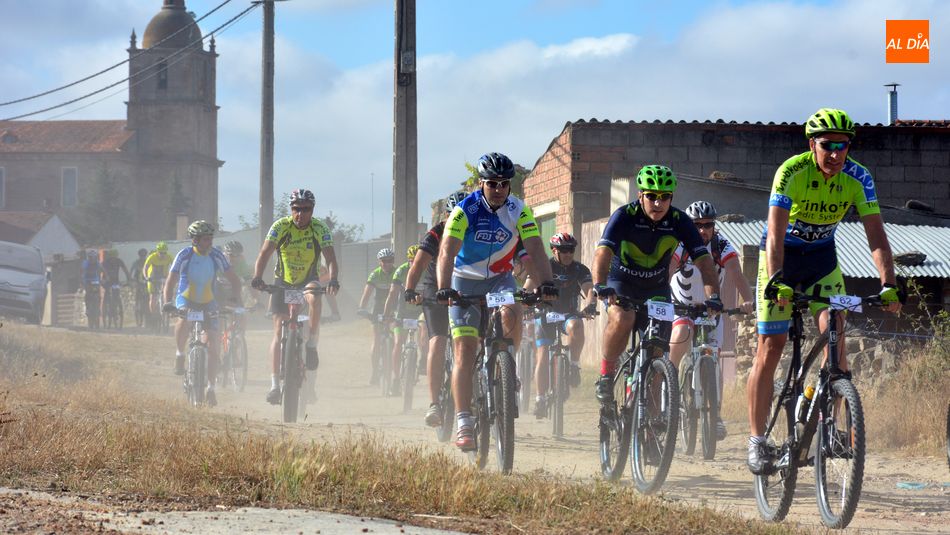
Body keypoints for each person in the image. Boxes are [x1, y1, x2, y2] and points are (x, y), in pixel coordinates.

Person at [747, 108, 901, 474]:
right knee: (772, 346)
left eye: (842, 146)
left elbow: (876, 235)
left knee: (836, 335)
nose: (835, 153)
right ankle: (756, 440)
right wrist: (777, 279)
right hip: (781, 258)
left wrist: (889, 284)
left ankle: (829, 425)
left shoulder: (859, 177)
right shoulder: (791, 172)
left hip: (821, 261)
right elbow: (774, 232)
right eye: (827, 145)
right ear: (811, 145)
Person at [436, 152, 558, 451]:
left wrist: (547, 283)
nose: (499, 189)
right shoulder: (464, 210)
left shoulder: (519, 210)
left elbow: (535, 247)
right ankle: (464, 421)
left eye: (504, 183)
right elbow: (446, 252)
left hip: (500, 279)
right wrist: (444, 288)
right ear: (481, 183)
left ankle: (507, 366)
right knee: (465, 350)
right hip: (464, 279)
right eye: (492, 183)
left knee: (512, 309)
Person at [591, 165, 723, 404]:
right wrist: (600, 284)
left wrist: (713, 296)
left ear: (671, 197)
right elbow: (603, 252)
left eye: (664, 197)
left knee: (658, 352)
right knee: (623, 318)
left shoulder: (680, 221)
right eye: (651, 196)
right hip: (621, 282)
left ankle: (655, 418)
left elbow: (704, 261)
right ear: (640, 195)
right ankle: (606, 374)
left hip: (656, 288)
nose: (658, 203)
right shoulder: (624, 215)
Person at [667, 200, 754, 440]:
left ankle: (715, 416)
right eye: (697, 225)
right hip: (682, 306)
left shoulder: (721, 245)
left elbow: (737, 274)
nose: (703, 230)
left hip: (711, 309)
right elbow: (669, 268)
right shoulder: (681, 243)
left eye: (708, 225)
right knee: (680, 336)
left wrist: (748, 300)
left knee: (714, 361)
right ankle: (669, 391)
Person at [250, 189, 340, 405]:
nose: (300, 213)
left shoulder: (319, 228)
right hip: (283, 280)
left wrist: (333, 279)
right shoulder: (280, 226)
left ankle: (311, 344)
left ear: (312, 210)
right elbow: (264, 253)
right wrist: (257, 277)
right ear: (291, 209)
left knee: (315, 297)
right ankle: (274, 385)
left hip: (308, 279)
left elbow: (330, 258)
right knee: (277, 331)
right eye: (296, 209)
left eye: (305, 209)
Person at [161, 220, 243, 407]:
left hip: (208, 301)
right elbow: (171, 281)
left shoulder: (216, 255)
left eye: (211, 238)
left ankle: (211, 389)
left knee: (214, 343)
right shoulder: (184, 255)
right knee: (183, 319)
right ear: (195, 240)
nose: (210, 242)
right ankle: (180, 354)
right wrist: (167, 302)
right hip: (186, 298)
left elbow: (234, 280)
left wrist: (235, 298)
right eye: (206, 239)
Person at [404, 191, 466, 426]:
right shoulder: (435, 233)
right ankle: (434, 404)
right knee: (438, 342)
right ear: (445, 216)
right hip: (435, 289)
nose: (457, 219)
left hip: (465, 287)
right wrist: (410, 289)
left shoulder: (474, 232)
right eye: (453, 214)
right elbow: (418, 264)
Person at [524, 232, 596, 418]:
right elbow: (528, 287)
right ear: (553, 250)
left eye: (571, 249)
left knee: (577, 326)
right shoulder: (544, 267)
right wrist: (526, 303)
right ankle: (540, 399)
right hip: (545, 314)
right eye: (564, 250)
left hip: (567, 314)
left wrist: (591, 305)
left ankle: (574, 365)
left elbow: (589, 290)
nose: (568, 253)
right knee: (542, 355)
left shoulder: (580, 269)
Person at [383, 245, 423, 395]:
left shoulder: (428, 270)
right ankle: (396, 378)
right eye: (412, 261)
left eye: (418, 260)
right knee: (398, 342)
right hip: (402, 312)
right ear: (408, 260)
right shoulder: (401, 271)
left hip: (421, 312)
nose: (415, 263)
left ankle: (422, 362)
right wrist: (387, 314)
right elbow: (392, 294)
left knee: (425, 337)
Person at [358, 247, 397, 385]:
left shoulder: (397, 272)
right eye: (384, 261)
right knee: (376, 339)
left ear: (393, 261)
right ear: (379, 262)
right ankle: (375, 371)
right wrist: (362, 308)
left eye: (389, 260)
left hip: (394, 307)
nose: (387, 263)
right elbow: (367, 293)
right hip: (378, 308)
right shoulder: (375, 274)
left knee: (397, 337)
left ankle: (396, 372)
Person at [99, 248, 131, 325]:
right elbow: (99, 271)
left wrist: (129, 279)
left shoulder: (119, 261)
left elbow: (125, 270)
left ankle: (116, 306)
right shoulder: (105, 262)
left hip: (115, 281)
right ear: (109, 257)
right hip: (106, 282)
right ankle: (105, 309)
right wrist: (101, 280)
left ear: (116, 256)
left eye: (115, 257)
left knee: (116, 293)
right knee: (107, 293)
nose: (113, 259)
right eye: (112, 258)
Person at [144, 241, 174, 318]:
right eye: (161, 253)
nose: (163, 255)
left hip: (164, 277)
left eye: (164, 253)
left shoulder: (169, 257)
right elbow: (145, 268)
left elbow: (175, 267)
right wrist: (146, 277)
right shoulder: (152, 257)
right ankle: (154, 316)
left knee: (167, 292)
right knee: (153, 297)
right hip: (152, 278)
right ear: (157, 252)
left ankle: (169, 310)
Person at [81, 249, 102, 329]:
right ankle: (88, 308)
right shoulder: (85, 263)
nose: (92, 259)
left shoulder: (97, 263)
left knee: (98, 295)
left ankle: (98, 308)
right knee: (88, 294)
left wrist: (106, 276)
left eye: (94, 257)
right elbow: (82, 271)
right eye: (91, 257)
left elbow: (102, 269)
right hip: (87, 281)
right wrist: (82, 281)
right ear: (88, 257)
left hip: (95, 281)